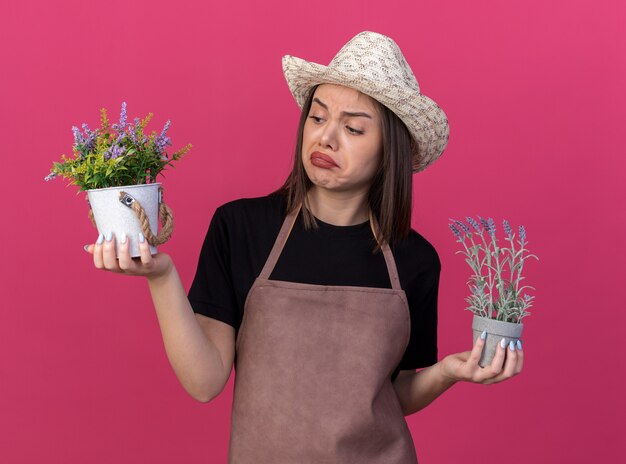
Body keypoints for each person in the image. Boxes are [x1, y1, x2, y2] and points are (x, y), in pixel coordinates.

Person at [85, 31, 523, 463]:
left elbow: (389, 395)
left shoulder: (415, 259)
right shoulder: (241, 228)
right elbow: (204, 382)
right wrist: (162, 278)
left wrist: (447, 373)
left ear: (391, 149)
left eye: (353, 127)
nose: (326, 138)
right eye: (317, 117)